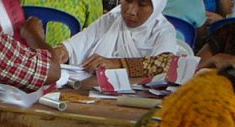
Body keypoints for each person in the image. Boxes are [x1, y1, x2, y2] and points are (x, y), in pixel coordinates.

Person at [52, 0, 180, 76]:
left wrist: (118, 63)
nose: (131, 10)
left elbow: (167, 63)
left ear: (156, 7)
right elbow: (78, 43)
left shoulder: (163, 30)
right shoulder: (112, 19)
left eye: (142, 4)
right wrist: (62, 50)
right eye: (128, 0)